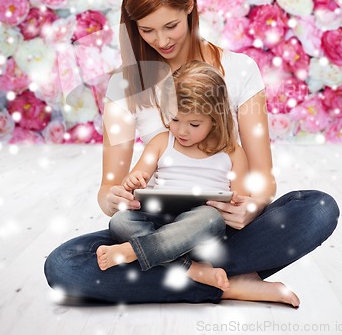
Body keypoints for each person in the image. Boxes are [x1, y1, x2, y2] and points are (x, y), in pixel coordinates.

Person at [44, 0, 339, 305]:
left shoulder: (240, 70)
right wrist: (113, 197)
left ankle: (175, 272)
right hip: (150, 225)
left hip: (219, 224)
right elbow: (109, 187)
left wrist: (251, 205)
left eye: (170, 25)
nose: (162, 40)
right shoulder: (124, 85)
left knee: (318, 208)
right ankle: (222, 280)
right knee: (63, 266)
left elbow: (262, 178)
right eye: (147, 30)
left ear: (190, 8)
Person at [97, 60, 300, 306]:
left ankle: (132, 252)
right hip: (159, 221)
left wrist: (240, 205)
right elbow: (134, 179)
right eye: (174, 119)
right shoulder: (161, 143)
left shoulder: (232, 153)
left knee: (211, 218)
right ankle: (192, 269)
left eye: (194, 124)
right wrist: (132, 181)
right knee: (119, 221)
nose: (181, 131)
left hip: (201, 229)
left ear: (215, 119)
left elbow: (239, 202)